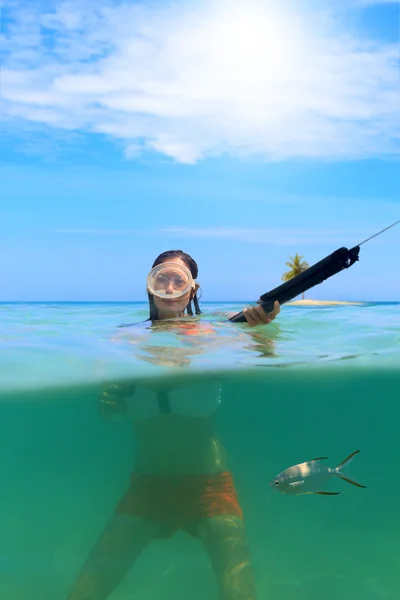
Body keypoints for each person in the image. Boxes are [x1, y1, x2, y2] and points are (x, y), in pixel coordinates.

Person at [67, 250, 280, 600]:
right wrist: (109, 398)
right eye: (161, 278)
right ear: (150, 286)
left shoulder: (217, 332)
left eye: (178, 279)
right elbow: (108, 413)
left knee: (240, 592)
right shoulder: (124, 340)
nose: (169, 286)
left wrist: (261, 331)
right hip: (147, 487)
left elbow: (270, 360)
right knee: (84, 592)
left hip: (210, 487)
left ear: (193, 288)